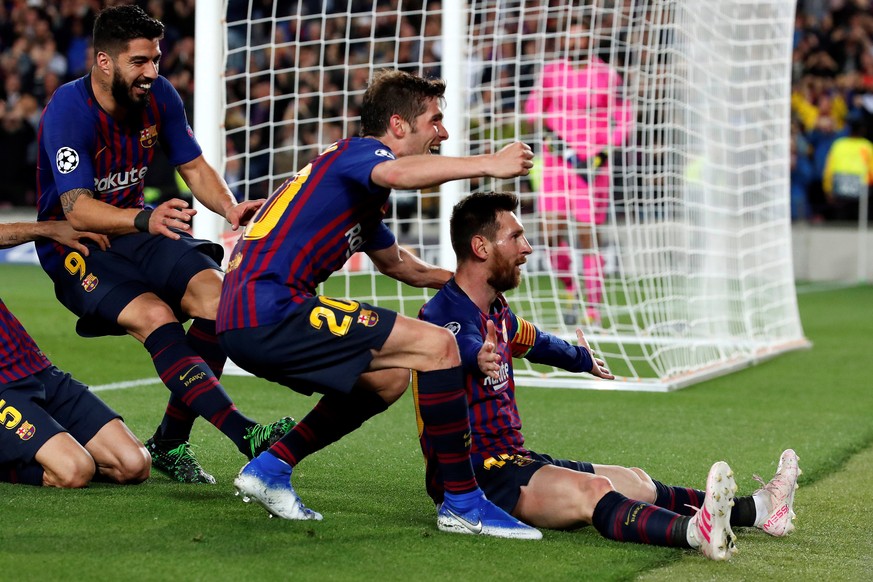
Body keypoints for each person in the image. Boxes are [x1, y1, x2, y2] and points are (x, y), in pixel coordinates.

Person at [217, 69, 541, 539]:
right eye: (434, 121)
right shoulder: (360, 154)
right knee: (438, 346)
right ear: (398, 124)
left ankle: (271, 467)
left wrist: (462, 277)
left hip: (249, 317)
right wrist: (490, 162)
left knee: (388, 378)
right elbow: (397, 172)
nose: (443, 132)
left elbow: (399, 266)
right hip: (269, 308)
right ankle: (464, 504)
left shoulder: (356, 192)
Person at [416, 191, 801, 560]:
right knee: (593, 491)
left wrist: (582, 359)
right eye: (516, 236)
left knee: (637, 482)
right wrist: (476, 356)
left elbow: (537, 341)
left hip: (512, 458)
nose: (527, 248)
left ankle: (761, 509)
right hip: (478, 474)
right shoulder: (443, 316)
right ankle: (695, 533)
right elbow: (455, 342)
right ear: (481, 248)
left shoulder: (496, 310)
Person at [33, 5, 294, 485]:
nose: (152, 72)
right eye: (140, 61)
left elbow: (193, 166)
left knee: (218, 299)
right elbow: (77, 209)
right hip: (77, 246)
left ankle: (171, 442)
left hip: (138, 229)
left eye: (156, 59)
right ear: (105, 61)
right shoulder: (69, 110)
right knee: (156, 316)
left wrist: (230, 208)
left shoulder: (161, 97)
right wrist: (146, 217)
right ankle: (244, 433)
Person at [0, 219, 150, 487]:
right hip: (2, 388)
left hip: (35, 367)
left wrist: (48, 229)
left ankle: (56, 447)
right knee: (74, 471)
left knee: (133, 464)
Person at [524, 17, 633, 327]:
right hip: (558, 162)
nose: (575, 43)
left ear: (590, 40)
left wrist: (604, 150)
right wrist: (553, 140)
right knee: (548, 233)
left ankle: (593, 308)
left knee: (588, 237)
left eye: (581, 37)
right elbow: (534, 112)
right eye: (570, 38)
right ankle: (571, 289)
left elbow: (624, 119)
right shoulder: (552, 73)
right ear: (563, 41)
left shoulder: (607, 75)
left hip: (592, 166)